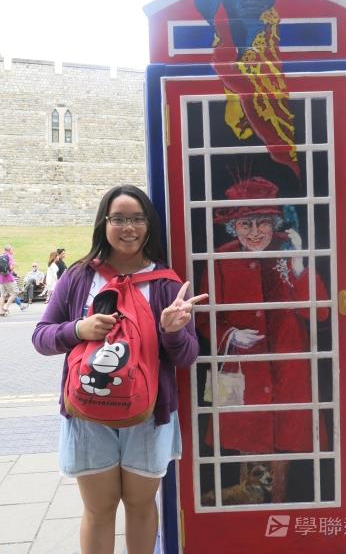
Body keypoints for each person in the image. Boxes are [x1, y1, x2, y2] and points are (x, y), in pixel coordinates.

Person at [32, 184, 207, 554]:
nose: (129, 228)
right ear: (104, 223)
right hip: (87, 412)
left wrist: (172, 332)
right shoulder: (79, 277)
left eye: (138, 219)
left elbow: (187, 356)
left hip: (149, 413)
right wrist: (78, 330)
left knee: (141, 508)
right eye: (119, 219)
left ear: (149, 225)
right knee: (99, 510)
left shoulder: (166, 284)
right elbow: (41, 337)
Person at [196, 176, 330, 503]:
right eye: (245, 224)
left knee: (286, 445)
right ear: (233, 227)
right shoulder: (219, 259)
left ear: (274, 223)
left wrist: (299, 267)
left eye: (263, 223)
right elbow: (201, 315)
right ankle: (251, 514)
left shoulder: (289, 252)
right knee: (246, 443)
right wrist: (230, 334)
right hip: (242, 370)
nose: (254, 232)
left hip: (289, 366)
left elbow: (321, 313)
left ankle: (279, 511)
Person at [0, 244, 20, 316]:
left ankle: (1, 311)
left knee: (3, 295)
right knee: (15, 292)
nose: (13, 250)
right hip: (9, 278)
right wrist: (14, 265)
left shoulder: (1, 256)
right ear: (10, 250)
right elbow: (11, 268)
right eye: (12, 249)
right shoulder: (10, 256)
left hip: (1, 279)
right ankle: (6, 307)